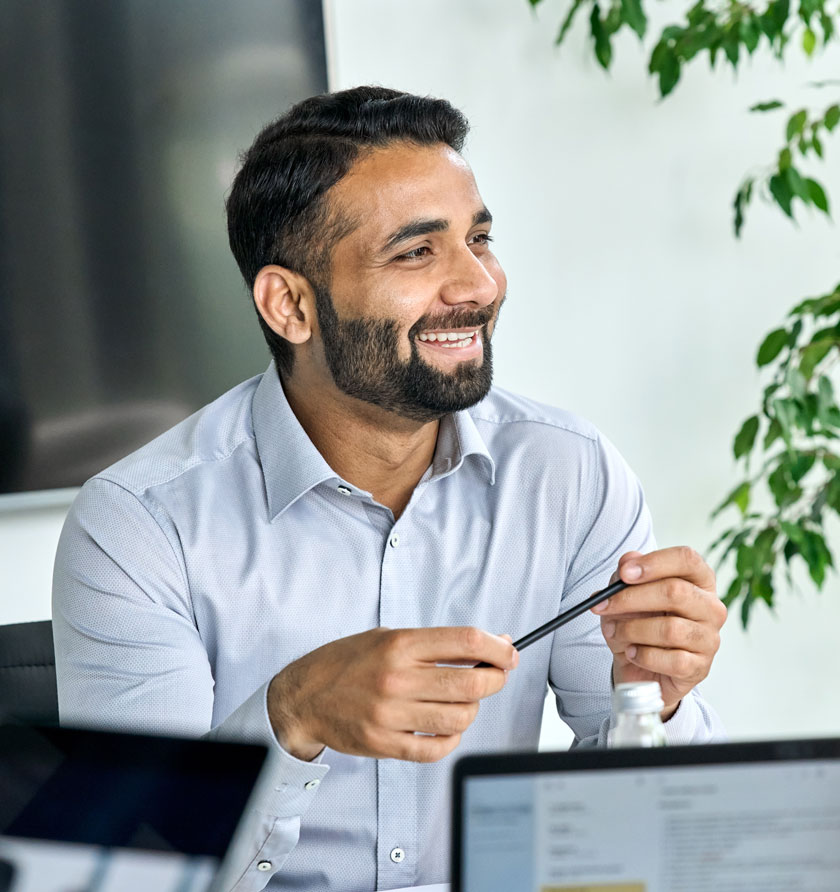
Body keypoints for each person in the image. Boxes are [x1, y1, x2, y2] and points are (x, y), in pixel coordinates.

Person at [53, 86, 727, 891]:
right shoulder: (136, 527)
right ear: (291, 304)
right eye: (416, 252)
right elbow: (129, 876)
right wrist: (291, 716)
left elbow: (640, 842)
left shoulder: (569, 474)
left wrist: (657, 704)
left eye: (479, 238)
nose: (477, 285)